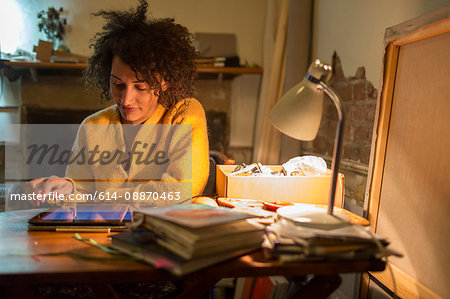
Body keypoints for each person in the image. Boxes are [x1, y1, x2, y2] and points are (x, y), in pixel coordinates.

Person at [27, 0, 212, 208]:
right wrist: (65, 189)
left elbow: (180, 189)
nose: (126, 99)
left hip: (161, 237)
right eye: (118, 84)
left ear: (165, 81)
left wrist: (104, 198)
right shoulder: (92, 127)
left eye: (140, 87)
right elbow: (82, 192)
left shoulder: (186, 113)